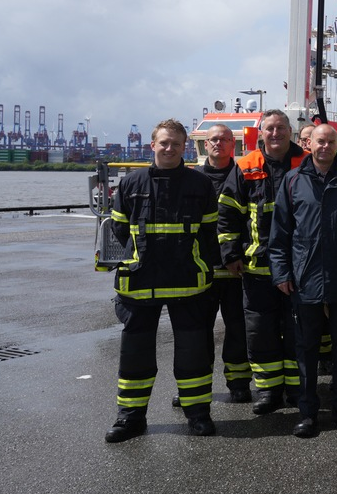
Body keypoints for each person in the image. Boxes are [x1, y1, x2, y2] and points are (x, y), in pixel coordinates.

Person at [104, 119, 220, 442]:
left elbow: (209, 231)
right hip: (140, 282)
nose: (170, 148)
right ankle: (130, 418)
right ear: (152, 145)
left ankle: (198, 415)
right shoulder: (131, 183)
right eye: (164, 143)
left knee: (193, 354)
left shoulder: (200, 184)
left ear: (185, 148)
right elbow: (119, 228)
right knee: (135, 355)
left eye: (176, 144)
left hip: (188, 282)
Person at [269, 124, 337, 438]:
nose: (325, 146)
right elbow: (280, 233)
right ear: (310, 144)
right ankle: (307, 413)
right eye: (320, 141)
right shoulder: (293, 181)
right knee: (306, 349)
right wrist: (282, 273)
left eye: (331, 141)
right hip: (305, 279)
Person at [219, 109, 305, 415]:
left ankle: (297, 389)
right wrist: (230, 254)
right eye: (270, 128)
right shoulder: (245, 165)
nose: (276, 133)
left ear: (291, 131)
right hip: (257, 267)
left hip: (298, 267)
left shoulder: (306, 162)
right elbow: (228, 212)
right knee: (260, 331)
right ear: (261, 133)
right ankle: (268, 390)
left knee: (298, 330)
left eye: (281, 128)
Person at [198, 124, 252, 403]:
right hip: (201, 269)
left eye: (224, 139)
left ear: (234, 144)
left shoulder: (244, 175)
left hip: (235, 268)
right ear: (205, 144)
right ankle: (196, 387)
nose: (218, 143)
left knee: (238, 329)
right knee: (198, 332)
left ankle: (239, 382)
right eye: (213, 140)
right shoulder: (192, 178)